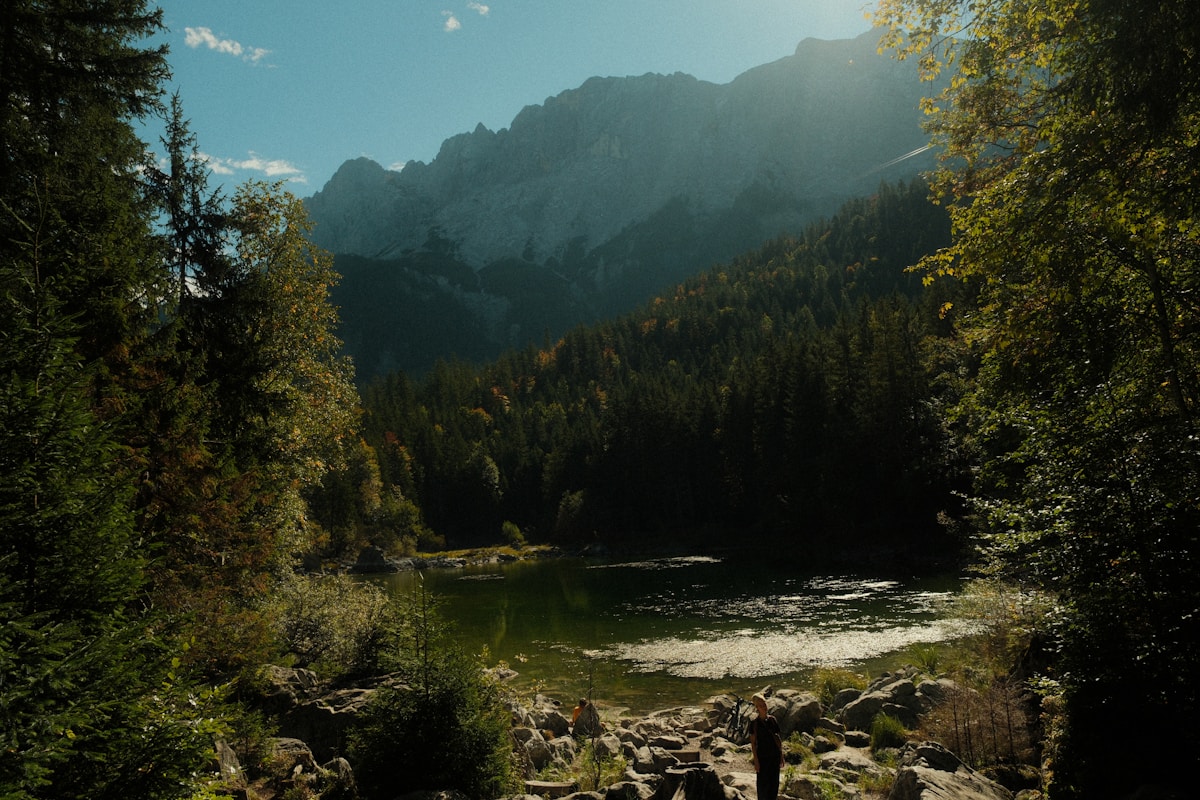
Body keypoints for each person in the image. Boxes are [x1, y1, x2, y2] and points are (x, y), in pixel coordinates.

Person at [750, 692, 784, 800]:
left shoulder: (772, 720)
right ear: (757, 707)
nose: (764, 707)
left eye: (764, 704)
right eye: (761, 705)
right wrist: (756, 760)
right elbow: (753, 744)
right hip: (762, 759)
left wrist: (781, 756)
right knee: (763, 788)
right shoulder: (754, 724)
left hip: (774, 757)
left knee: (774, 786)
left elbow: (778, 740)